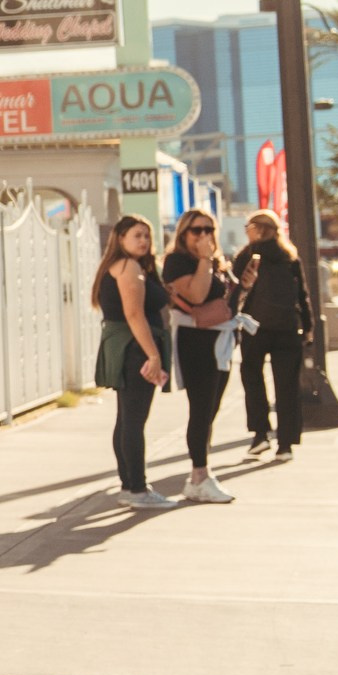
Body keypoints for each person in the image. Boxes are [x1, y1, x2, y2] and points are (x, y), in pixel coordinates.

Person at [92, 215, 174, 507]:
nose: (143, 241)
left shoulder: (124, 266)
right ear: (121, 238)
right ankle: (137, 489)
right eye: (137, 235)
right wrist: (153, 355)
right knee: (134, 421)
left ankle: (130, 486)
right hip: (135, 348)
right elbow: (134, 314)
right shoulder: (128, 267)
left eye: (147, 236)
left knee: (126, 419)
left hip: (126, 347)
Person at [162, 208, 237, 505]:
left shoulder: (215, 261)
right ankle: (199, 476)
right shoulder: (177, 261)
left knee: (212, 410)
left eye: (209, 229)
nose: (204, 235)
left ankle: (201, 473)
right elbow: (196, 295)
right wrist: (205, 259)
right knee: (201, 409)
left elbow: (224, 298)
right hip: (195, 341)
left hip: (221, 339)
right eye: (197, 230)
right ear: (183, 234)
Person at [233, 208, 313, 459]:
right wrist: (308, 326)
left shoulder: (247, 256)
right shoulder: (290, 257)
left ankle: (260, 435)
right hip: (288, 328)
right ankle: (286, 444)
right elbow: (303, 296)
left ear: (257, 230)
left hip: (254, 328)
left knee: (252, 377)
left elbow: (235, 290)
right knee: (287, 386)